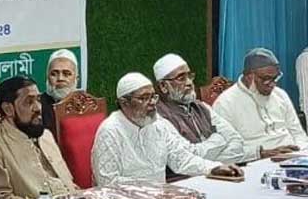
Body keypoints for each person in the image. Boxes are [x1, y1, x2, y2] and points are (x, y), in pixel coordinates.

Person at [92, 73, 242, 186]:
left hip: (161, 198)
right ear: (124, 103)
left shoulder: (159, 124)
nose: (152, 103)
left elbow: (181, 159)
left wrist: (214, 168)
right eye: (144, 98)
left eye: (153, 97)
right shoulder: (110, 131)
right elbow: (108, 182)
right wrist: (153, 188)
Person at [0, 76, 77, 199]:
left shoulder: (45, 135)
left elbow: (69, 185)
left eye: (38, 100)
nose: (38, 108)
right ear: (8, 109)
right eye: (29, 102)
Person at [212, 48, 308, 160]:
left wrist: (302, 151)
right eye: (266, 79)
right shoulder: (225, 103)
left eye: (275, 78)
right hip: (256, 162)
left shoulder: (280, 95)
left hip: (294, 158)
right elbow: (224, 153)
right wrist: (260, 153)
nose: (272, 84)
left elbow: (298, 134)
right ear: (249, 76)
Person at [153, 53, 246, 164]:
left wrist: (207, 162)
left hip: (218, 170)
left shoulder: (202, 107)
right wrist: (219, 139)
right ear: (163, 86)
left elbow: (237, 142)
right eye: (181, 78)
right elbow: (186, 157)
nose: (189, 83)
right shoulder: (158, 118)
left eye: (190, 76)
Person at [40, 48, 79, 135]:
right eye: (54, 74)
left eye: (66, 74)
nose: (60, 78)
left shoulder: (86, 105)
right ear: (47, 78)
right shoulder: (37, 106)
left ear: (76, 79)